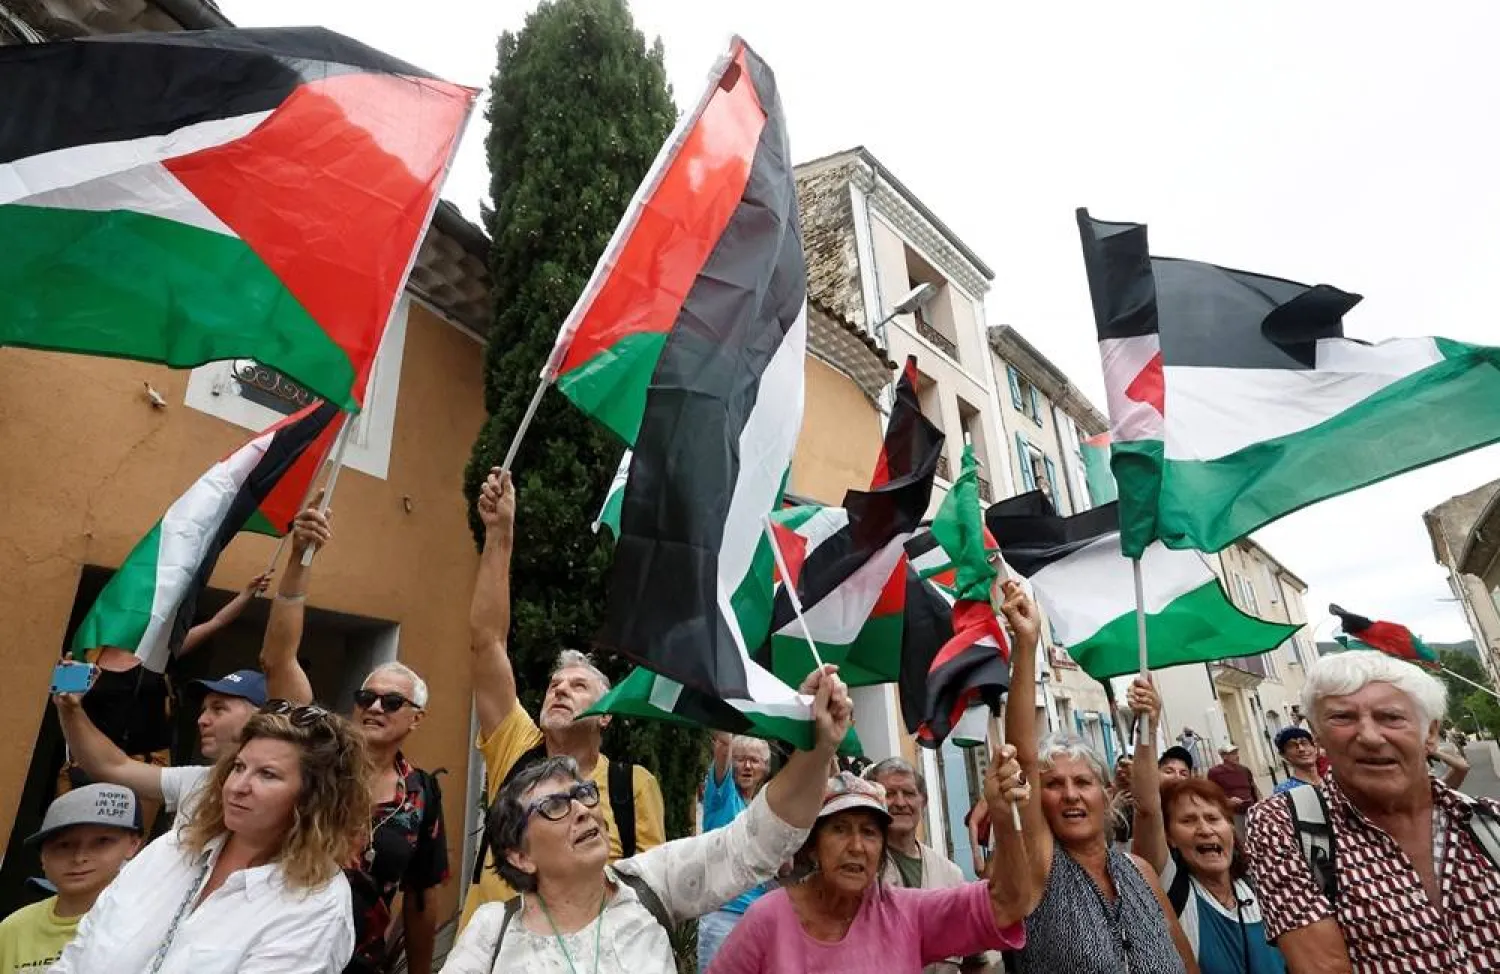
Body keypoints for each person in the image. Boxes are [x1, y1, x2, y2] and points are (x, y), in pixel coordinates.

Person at [441, 665, 853, 973]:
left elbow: (756, 843)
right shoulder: (492, 932)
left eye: (583, 794)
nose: (583, 809)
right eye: (555, 806)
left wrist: (816, 750)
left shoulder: (649, 884)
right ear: (519, 856)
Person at [462, 469, 665, 926]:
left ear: (606, 717)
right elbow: (488, 641)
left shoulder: (632, 787)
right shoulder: (515, 744)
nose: (559, 690)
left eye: (578, 686)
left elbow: (650, 893)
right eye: (555, 684)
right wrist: (499, 534)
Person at [259, 504, 449, 974]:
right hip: (277, 951)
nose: (375, 707)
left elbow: (422, 898)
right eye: (368, 696)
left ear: (416, 719)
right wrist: (299, 561)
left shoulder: (422, 793)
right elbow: (278, 660)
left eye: (392, 702)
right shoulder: (318, 749)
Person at [51, 702, 369, 973]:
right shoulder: (173, 848)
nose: (237, 786)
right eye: (239, 767)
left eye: (267, 775)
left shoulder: (315, 903)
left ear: (314, 798)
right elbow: (81, 951)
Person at [1245, 650, 1500, 973]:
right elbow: (1321, 967)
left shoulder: (1489, 823)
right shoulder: (1288, 825)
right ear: (1317, 733)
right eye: (1343, 718)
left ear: (1430, 733)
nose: (1369, 736)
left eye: (1391, 717)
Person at [1002, 581, 1197, 974]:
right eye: (1054, 785)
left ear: (1106, 795)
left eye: (1083, 782)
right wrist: (1026, 647)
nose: (1071, 795)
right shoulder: (1039, 869)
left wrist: (1150, 726)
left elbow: (1187, 965)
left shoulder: (1141, 873)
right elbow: (1023, 754)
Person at [709, 745, 1037, 974]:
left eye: (869, 832)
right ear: (812, 845)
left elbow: (1009, 904)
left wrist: (1004, 817)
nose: (856, 846)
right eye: (839, 829)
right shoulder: (768, 919)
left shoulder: (907, 914)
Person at [52, 572, 270, 829]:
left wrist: (246, 595)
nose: (202, 719)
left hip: (144, 761)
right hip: (85, 763)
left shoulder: (158, 655)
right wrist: (67, 699)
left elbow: (217, 622)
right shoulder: (89, 654)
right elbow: (70, 704)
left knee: (126, 839)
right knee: (72, 833)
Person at [1129, 679, 1287, 974]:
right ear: (1170, 838)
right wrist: (1148, 726)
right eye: (1188, 821)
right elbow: (1147, 810)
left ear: (1231, 828)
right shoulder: (1174, 889)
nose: (1205, 829)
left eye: (1214, 818)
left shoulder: (1264, 891)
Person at [54, 668, 269, 826]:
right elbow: (110, 767)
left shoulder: (284, 797)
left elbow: (279, 661)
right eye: (204, 710)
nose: (202, 720)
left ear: (260, 717)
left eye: (219, 709)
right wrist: (69, 709)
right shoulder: (197, 780)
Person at [0, 785, 144, 974]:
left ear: (133, 844)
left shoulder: (144, 925)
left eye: (101, 842)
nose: (79, 858)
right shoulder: (12, 929)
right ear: (43, 856)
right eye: (64, 845)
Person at [862, 756, 979, 974]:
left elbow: (976, 960)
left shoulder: (951, 876)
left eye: (908, 793)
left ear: (923, 802)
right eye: (889, 794)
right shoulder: (859, 870)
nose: (900, 803)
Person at [696, 733, 774, 971]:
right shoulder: (723, 794)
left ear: (766, 768)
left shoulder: (762, 807)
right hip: (723, 915)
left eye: (754, 760)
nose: (747, 766)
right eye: (740, 759)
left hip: (757, 916)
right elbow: (722, 745)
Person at [1205, 745, 1257, 836]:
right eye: (1233, 754)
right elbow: (1212, 793)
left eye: (1236, 753)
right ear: (1224, 756)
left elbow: (1254, 789)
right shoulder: (1215, 772)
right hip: (1234, 813)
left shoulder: (1244, 770)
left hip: (1251, 810)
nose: (1237, 756)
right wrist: (1227, 800)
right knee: (1241, 839)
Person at [1270, 727, 1321, 795]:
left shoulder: (1332, 779)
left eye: (1304, 743)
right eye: (1292, 745)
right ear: (1283, 755)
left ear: (1315, 748)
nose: (1301, 749)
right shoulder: (1285, 791)